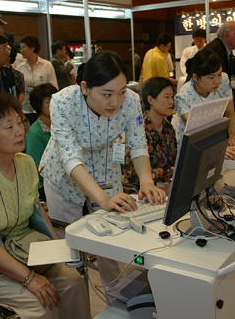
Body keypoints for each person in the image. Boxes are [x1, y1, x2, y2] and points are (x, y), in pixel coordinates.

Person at [0, 91, 90, 319]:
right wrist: (29, 278)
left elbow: (37, 210)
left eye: (20, 122)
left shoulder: (26, 164)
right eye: (9, 127)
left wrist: (59, 249)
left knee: (74, 281)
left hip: (25, 248)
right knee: (44, 304)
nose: (20, 131)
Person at [40, 50, 167, 285]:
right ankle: (73, 297)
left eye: (120, 92)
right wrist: (102, 199)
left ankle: (115, 295)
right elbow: (69, 156)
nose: (115, 102)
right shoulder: (63, 101)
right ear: (85, 87)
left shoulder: (130, 101)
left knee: (113, 238)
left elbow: (138, 145)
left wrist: (147, 182)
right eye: (107, 94)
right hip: (65, 175)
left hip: (105, 168)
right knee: (69, 245)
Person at [172, 49, 235, 160]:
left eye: (219, 75)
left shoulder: (223, 80)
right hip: (191, 148)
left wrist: (232, 135)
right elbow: (197, 131)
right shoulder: (184, 97)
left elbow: (230, 112)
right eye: (211, 77)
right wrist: (218, 148)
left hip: (214, 139)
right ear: (195, 77)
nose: (217, 81)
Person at [122, 77, 177, 189]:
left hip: (167, 188)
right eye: (166, 97)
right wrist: (168, 172)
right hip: (142, 191)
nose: (171, 101)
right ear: (150, 100)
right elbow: (132, 173)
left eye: (172, 97)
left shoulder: (168, 127)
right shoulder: (137, 129)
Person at [25, 83, 58, 201]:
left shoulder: (59, 125)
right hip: (44, 185)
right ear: (38, 105)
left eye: (55, 100)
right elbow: (37, 167)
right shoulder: (35, 133)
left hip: (60, 180)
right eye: (49, 102)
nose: (54, 105)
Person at [17, 35, 58, 124]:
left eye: (23, 47)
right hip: (26, 109)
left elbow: (54, 88)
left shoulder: (47, 65)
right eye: (20, 48)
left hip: (43, 109)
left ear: (32, 48)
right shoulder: (19, 67)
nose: (21, 51)